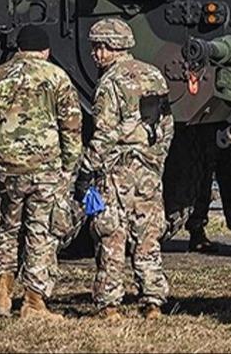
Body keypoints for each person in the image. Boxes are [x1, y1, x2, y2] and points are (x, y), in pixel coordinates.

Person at [0, 24, 82, 319]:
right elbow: (71, 126)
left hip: (7, 168)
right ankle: (34, 301)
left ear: (19, 49)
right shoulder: (56, 77)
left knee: (7, 229)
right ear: (45, 50)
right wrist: (70, 169)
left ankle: (2, 295)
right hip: (45, 168)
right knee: (41, 231)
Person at [82, 18, 174, 320]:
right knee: (148, 235)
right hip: (147, 170)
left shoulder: (109, 83)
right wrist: (156, 160)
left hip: (116, 172)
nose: (95, 53)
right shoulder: (154, 76)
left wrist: (87, 168)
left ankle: (110, 305)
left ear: (113, 47)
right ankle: (153, 301)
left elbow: (104, 133)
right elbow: (166, 126)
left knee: (112, 235)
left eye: (99, 47)